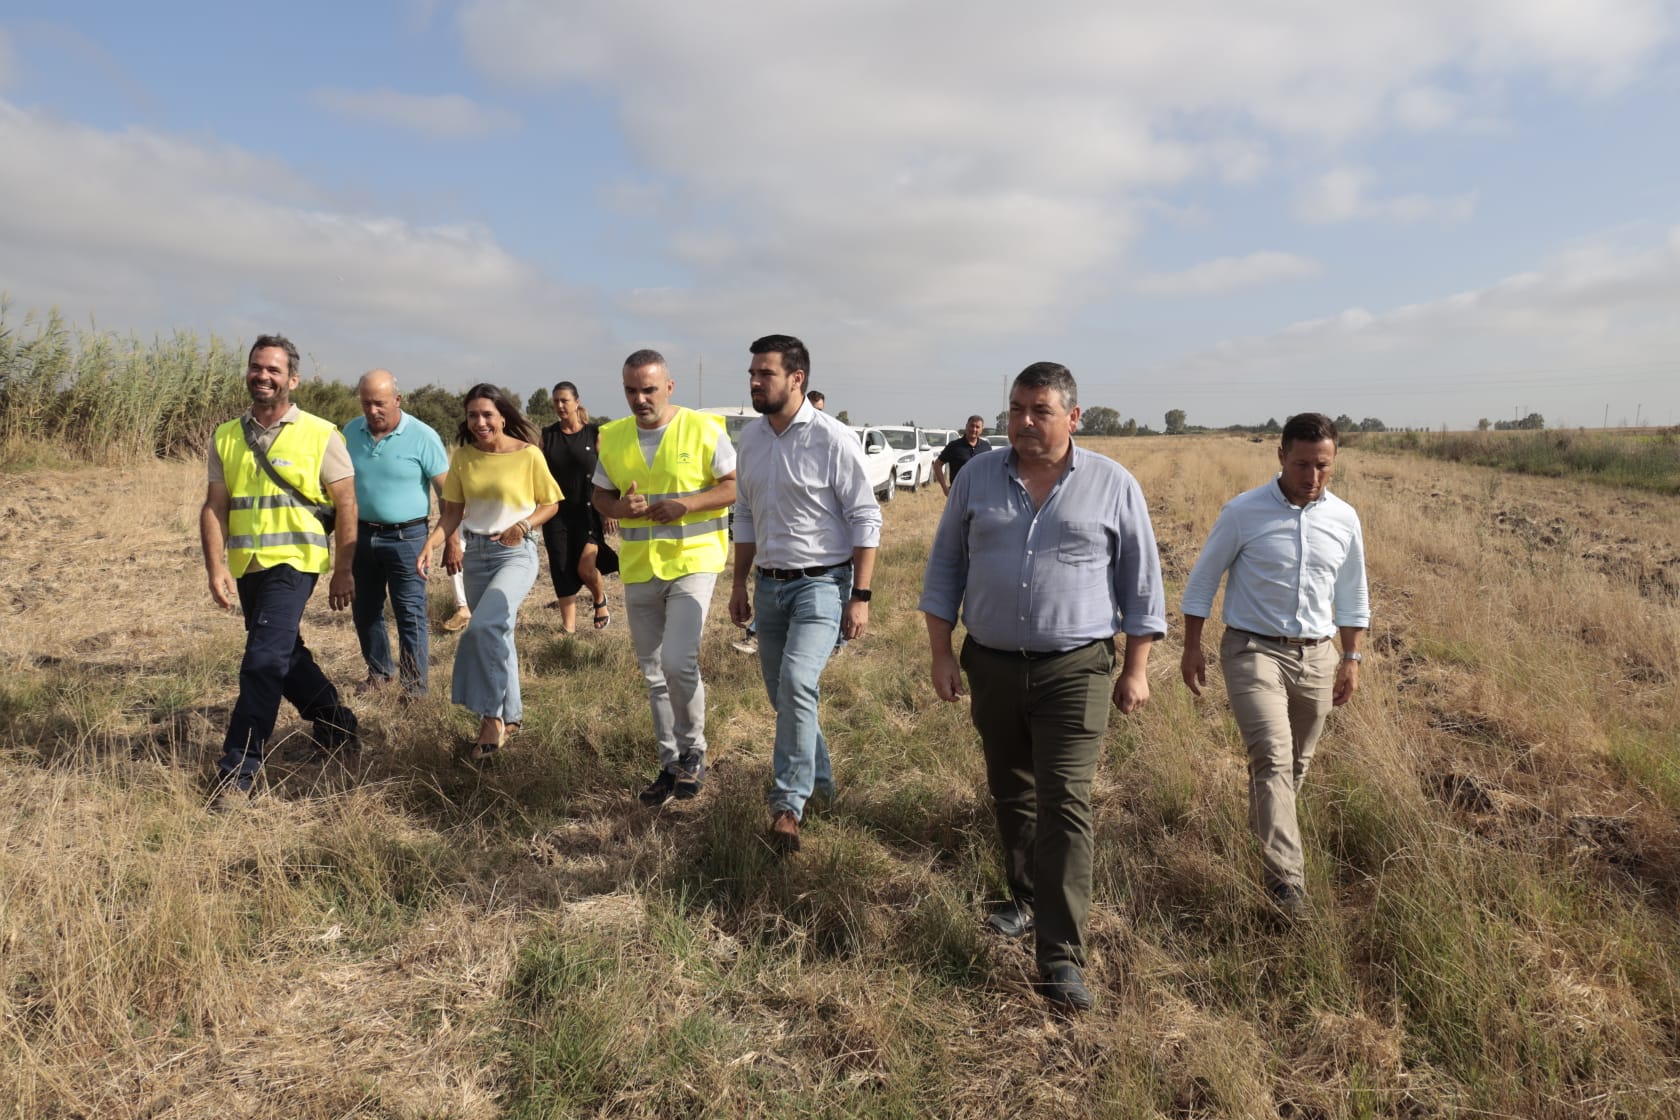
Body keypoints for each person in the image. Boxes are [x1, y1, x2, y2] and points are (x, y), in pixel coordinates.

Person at [920, 362, 1164, 1012]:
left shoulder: (1112, 484)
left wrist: (1136, 668)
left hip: (1075, 669)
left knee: (1066, 803)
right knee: (1012, 791)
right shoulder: (976, 478)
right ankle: (1025, 899)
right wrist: (941, 653)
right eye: (1017, 409)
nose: (1025, 422)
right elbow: (945, 566)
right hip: (991, 663)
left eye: (1040, 411)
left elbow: (1142, 585)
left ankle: (1061, 958)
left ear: (1073, 418)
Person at [1179, 412, 1368, 915]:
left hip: (1319, 654)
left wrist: (1350, 657)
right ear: (1281, 456)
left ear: (1335, 461)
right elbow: (1201, 583)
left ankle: (1264, 835)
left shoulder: (1344, 519)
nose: (1312, 476)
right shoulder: (1243, 512)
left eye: (1323, 466)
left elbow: (1353, 596)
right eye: (1302, 464)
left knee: (1295, 765)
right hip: (1253, 650)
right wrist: (1192, 646)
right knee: (1273, 757)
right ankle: (1287, 885)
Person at [729, 334, 880, 853]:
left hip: (823, 584)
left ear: (797, 379)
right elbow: (744, 514)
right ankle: (823, 787)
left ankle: (786, 808)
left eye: (764, 374)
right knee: (787, 697)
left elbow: (866, 516)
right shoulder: (749, 441)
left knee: (796, 682)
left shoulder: (833, 439)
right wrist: (738, 584)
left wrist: (860, 595)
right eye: (752, 372)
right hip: (769, 586)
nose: (754, 381)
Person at [200, 334, 359, 803]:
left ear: (293, 378)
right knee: (283, 653)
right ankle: (336, 722)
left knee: (263, 661)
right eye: (256, 367)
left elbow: (347, 503)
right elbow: (215, 507)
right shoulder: (227, 435)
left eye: (273, 369)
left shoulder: (321, 433)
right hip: (248, 564)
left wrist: (344, 568)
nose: (263, 376)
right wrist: (216, 567)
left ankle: (239, 770)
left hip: (295, 563)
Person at [594, 350, 737, 805]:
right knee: (654, 672)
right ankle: (671, 763)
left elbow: (735, 485)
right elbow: (600, 495)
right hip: (639, 566)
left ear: (669, 388)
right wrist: (618, 508)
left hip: (693, 561)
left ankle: (695, 751)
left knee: (679, 662)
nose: (640, 398)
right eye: (631, 390)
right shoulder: (613, 437)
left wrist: (687, 504)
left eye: (649, 389)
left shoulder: (703, 428)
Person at [418, 385, 560, 758]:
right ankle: (512, 717)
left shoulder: (528, 455)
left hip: (515, 552)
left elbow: (551, 503)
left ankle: (490, 718)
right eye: (472, 416)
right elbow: (452, 513)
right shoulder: (464, 457)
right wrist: (429, 546)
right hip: (476, 556)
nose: (479, 422)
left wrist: (524, 526)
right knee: (500, 635)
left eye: (487, 415)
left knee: (483, 627)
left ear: (502, 416)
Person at [344, 369, 451, 698]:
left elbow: (449, 496)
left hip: (408, 540)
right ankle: (380, 673)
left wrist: (452, 542)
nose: (372, 411)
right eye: (366, 404)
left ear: (397, 400)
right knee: (364, 610)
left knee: (410, 612)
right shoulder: (349, 432)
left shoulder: (422, 435)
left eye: (379, 403)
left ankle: (415, 689)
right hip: (360, 537)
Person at [540, 381, 620, 633]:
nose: (560, 406)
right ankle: (569, 629)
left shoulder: (594, 434)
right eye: (556, 401)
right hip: (557, 514)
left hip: (589, 511)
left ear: (577, 401)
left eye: (564, 400)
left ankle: (599, 599)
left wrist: (609, 510)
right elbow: (538, 474)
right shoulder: (547, 436)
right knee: (562, 567)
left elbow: (611, 472)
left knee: (585, 567)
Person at [934, 414, 989, 495]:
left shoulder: (986, 447)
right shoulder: (954, 446)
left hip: (980, 495)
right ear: (966, 426)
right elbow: (937, 464)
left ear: (981, 430)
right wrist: (945, 488)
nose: (974, 429)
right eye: (972, 426)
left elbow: (991, 469)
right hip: (958, 494)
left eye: (977, 427)